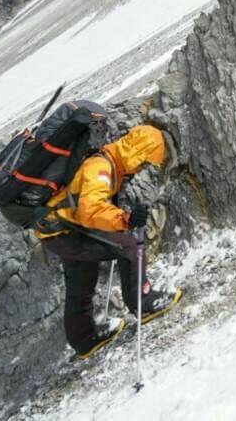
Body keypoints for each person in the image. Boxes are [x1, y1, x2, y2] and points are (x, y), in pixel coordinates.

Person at [36, 107, 183, 359]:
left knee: (81, 277)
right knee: (129, 246)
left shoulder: (107, 161)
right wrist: (123, 219)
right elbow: (90, 211)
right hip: (68, 230)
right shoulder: (101, 167)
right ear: (137, 153)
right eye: (145, 161)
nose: (140, 169)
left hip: (55, 232)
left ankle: (84, 339)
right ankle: (144, 304)